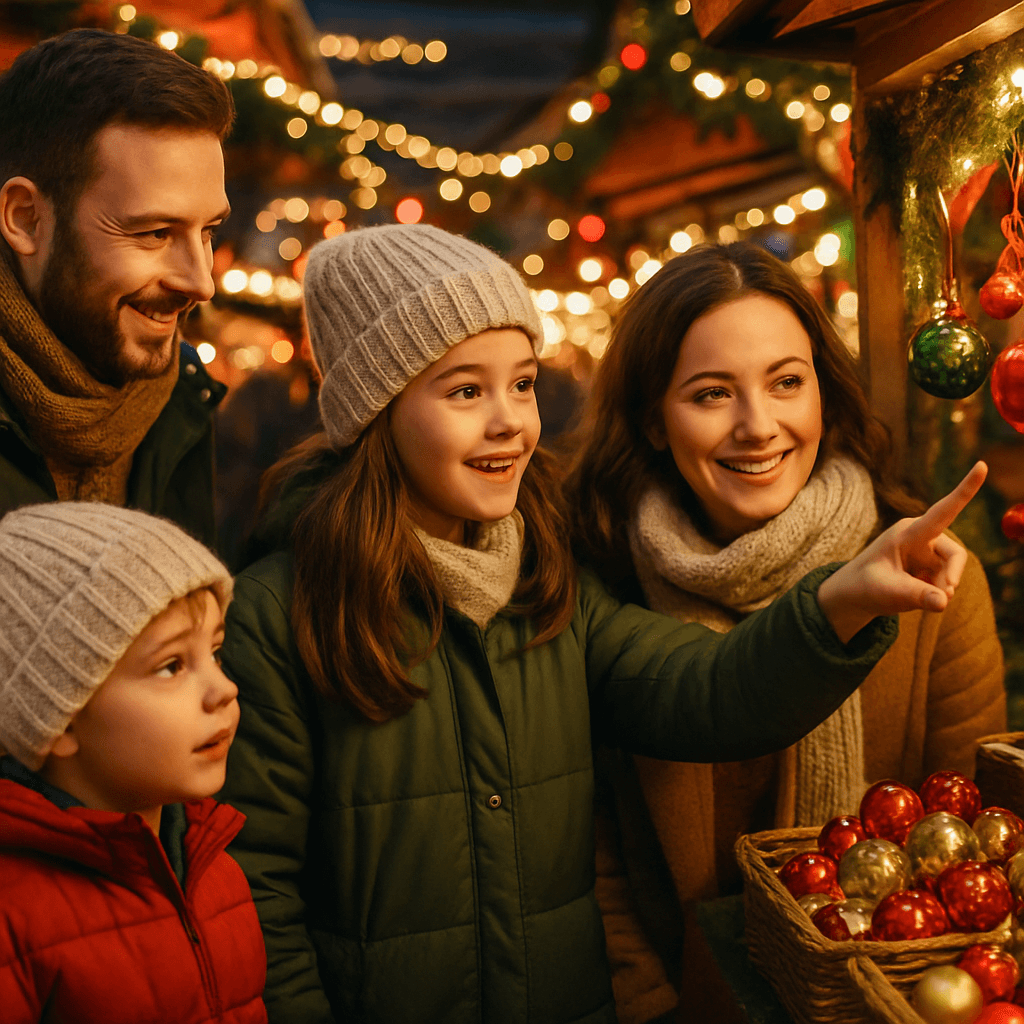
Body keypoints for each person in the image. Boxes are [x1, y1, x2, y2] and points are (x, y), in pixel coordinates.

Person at [218, 223, 987, 1024]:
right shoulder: (283, 614)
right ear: (375, 411)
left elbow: (707, 688)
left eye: (521, 384)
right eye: (465, 391)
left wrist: (841, 601)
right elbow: (256, 893)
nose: (511, 421)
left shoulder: (546, 583)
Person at [565, 240, 1006, 1024]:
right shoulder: (602, 589)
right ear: (654, 422)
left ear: (825, 398)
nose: (757, 427)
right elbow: (593, 868)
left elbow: (972, 857)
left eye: (786, 383)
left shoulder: (929, 581)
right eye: (710, 395)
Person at [0, 501, 267, 1024]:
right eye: (171, 666)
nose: (224, 689)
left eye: (214, 652)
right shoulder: (14, 918)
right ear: (63, 718)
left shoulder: (216, 870)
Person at [0, 29, 234, 547]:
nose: (201, 282)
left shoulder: (182, 397)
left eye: (209, 231)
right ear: (26, 219)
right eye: (154, 233)